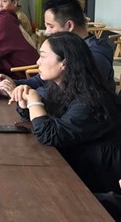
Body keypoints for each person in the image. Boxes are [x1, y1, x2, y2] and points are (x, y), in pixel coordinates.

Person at [9, 32, 121, 194]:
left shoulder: (90, 100)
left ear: (64, 64)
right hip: (72, 163)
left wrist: (34, 100)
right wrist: (25, 103)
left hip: (95, 179)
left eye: (43, 56)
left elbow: (50, 134)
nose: (38, 62)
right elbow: (42, 119)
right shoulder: (60, 87)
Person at [0, 0, 115, 94]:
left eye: (50, 26)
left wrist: (27, 95)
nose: (47, 32)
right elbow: (40, 81)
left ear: (69, 26)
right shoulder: (66, 47)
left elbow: (68, 93)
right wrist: (12, 84)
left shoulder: (95, 56)